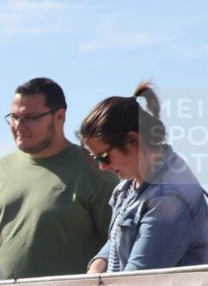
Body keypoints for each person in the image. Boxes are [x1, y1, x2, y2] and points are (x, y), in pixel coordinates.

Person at [0, 77, 117, 279]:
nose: (19, 125)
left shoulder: (96, 170)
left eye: (30, 117)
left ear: (59, 117)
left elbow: (118, 244)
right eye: (14, 117)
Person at [80, 82, 208, 272]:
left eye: (105, 156)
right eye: (95, 158)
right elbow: (117, 242)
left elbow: (137, 281)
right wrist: (99, 263)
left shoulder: (169, 199)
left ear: (133, 141)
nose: (102, 166)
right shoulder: (129, 185)